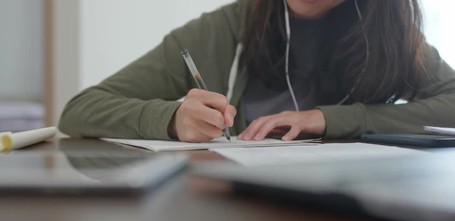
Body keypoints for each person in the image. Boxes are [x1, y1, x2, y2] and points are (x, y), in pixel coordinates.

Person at [59, 0, 455, 143]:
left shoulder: (391, 32)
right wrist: (172, 119)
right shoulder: (220, 30)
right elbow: (80, 109)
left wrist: (331, 119)